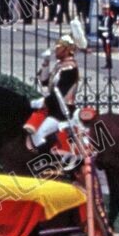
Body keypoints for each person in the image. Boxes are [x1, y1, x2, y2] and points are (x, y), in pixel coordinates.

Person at [23, 20, 84, 164]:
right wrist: (45, 62)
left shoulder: (70, 68)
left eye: (59, 47)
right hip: (53, 108)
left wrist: (41, 102)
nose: (56, 49)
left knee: (39, 134)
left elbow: (59, 94)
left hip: (62, 111)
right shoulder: (60, 65)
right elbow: (45, 82)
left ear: (67, 49)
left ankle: (49, 163)